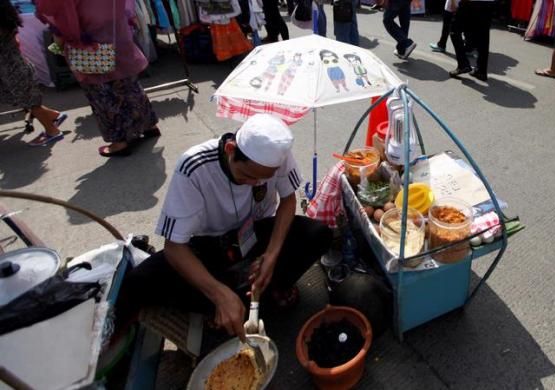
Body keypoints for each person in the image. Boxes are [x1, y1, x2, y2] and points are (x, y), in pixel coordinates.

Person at [117, 114, 332, 340]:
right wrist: (219, 294)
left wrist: (271, 254)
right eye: (248, 176)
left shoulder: (279, 155)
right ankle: (224, 300)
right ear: (230, 149)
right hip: (209, 245)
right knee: (140, 281)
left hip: (255, 233)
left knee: (318, 234)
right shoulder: (194, 166)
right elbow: (174, 247)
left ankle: (266, 289)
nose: (256, 184)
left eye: (263, 179)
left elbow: (288, 200)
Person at [36, 0, 159, 157]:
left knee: (103, 95)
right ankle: (149, 126)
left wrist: (58, 48)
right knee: (129, 86)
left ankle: (120, 142)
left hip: (91, 47)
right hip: (119, 37)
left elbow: (60, 22)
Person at [0, 0, 67, 147]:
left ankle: (52, 131)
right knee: (30, 102)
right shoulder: (9, 21)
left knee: (32, 104)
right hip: (18, 67)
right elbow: (16, 43)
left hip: (12, 72)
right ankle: (56, 116)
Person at [448, 0, 495, 81]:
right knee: (483, 36)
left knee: (454, 31)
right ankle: (481, 71)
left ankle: (463, 64)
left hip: (470, 2)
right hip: (488, 3)